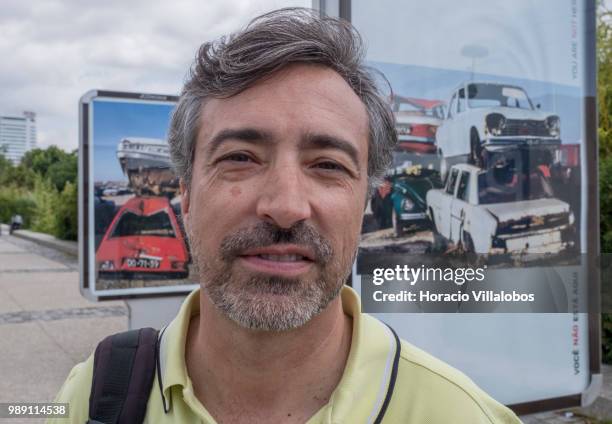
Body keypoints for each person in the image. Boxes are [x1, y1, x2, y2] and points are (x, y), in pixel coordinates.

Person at [53, 8, 521, 423]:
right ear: (188, 195)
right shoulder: (91, 397)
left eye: (328, 165)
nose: (285, 206)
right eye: (240, 157)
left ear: (364, 205)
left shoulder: (461, 414)